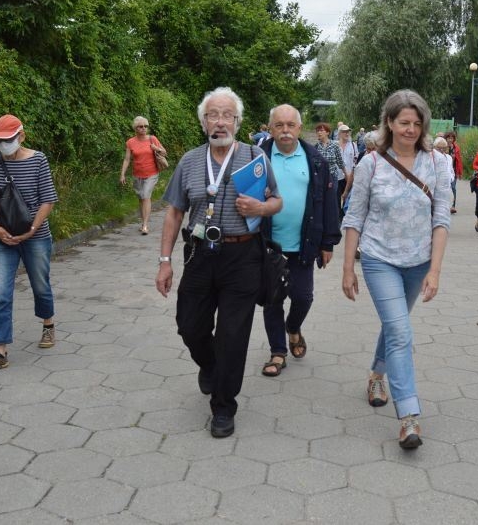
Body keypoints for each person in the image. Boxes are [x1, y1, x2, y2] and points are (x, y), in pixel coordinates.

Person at [155, 87, 282, 438]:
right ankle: (210, 365)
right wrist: (164, 261)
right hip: (199, 254)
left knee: (232, 335)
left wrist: (261, 208)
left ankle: (224, 406)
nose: (220, 122)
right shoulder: (190, 161)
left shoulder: (256, 158)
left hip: (242, 257)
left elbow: (277, 202)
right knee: (189, 325)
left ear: (238, 122)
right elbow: (174, 212)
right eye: (213, 115)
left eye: (227, 115)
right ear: (203, 122)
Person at [342, 89, 451, 449]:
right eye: (404, 122)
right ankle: (409, 418)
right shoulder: (370, 164)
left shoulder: (438, 164)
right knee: (401, 333)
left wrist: (434, 270)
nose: (410, 129)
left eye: (417, 124)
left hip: (418, 262)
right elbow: (354, 218)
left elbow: (441, 220)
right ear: (389, 123)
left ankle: (377, 374)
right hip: (379, 258)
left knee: (395, 325)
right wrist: (348, 269)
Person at [258, 104, 341, 376]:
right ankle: (277, 352)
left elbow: (329, 203)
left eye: (290, 125)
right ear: (270, 128)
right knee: (272, 300)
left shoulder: (315, 160)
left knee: (303, 297)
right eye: (279, 125)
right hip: (268, 244)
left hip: (304, 243)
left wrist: (327, 243)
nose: (285, 130)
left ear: (298, 127)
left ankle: (293, 327)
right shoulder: (258, 158)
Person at [0, 114, 59, 373]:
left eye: (8, 140)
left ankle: (48, 325)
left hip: (35, 235)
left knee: (40, 284)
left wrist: (32, 229)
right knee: (1, 292)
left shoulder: (38, 160)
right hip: (2, 234)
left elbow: (48, 199)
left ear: (21, 136)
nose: (3, 145)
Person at [120, 116, 166, 235]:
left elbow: (164, 152)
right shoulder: (130, 142)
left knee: (146, 196)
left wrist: (156, 148)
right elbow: (127, 159)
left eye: (146, 126)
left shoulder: (152, 139)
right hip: (137, 174)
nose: (144, 128)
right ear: (135, 128)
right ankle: (143, 222)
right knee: (141, 198)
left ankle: (145, 225)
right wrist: (122, 174)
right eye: (141, 126)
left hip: (151, 173)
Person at [314, 123, 347, 211]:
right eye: (317, 131)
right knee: (321, 201)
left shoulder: (335, 145)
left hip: (332, 177)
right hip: (320, 179)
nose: (319, 133)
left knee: (331, 201)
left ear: (328, 132)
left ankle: (332, 221)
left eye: (321, 131)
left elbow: (340, 162)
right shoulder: (316, 147)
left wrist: (347, 176)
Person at [337, 124, 358, 216]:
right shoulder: (335, 145)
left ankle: (347, 215)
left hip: (350, 177)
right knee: (337, 198)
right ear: (340, 133)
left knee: (349, 197)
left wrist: (352, 174)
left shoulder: (353, 145)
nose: (347, 133)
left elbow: (356, 160)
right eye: (344, 131)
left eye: (348, 131)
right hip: (338, 177)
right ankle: (338, 217)